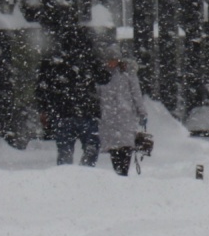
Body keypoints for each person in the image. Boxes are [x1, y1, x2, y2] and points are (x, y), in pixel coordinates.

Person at [37, 36, 107, 166]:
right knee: (91, 148)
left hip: (63, 112)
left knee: (65, 151)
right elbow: (104, 77)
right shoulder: (88, 55)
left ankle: (68, 176)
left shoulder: (53, 58)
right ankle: (85, 174)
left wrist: (44, 108)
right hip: (86, 111)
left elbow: (42, 86)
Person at [96, 54, 148, 176]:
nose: (110, 62)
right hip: (109, 118)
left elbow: (136, 94)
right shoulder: (102, 76)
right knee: (114, 148)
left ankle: (123, 173)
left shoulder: (128, 75)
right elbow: (98, 96)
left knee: (126, 146)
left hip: (126, 117)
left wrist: (142, 112)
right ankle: (119, 173)